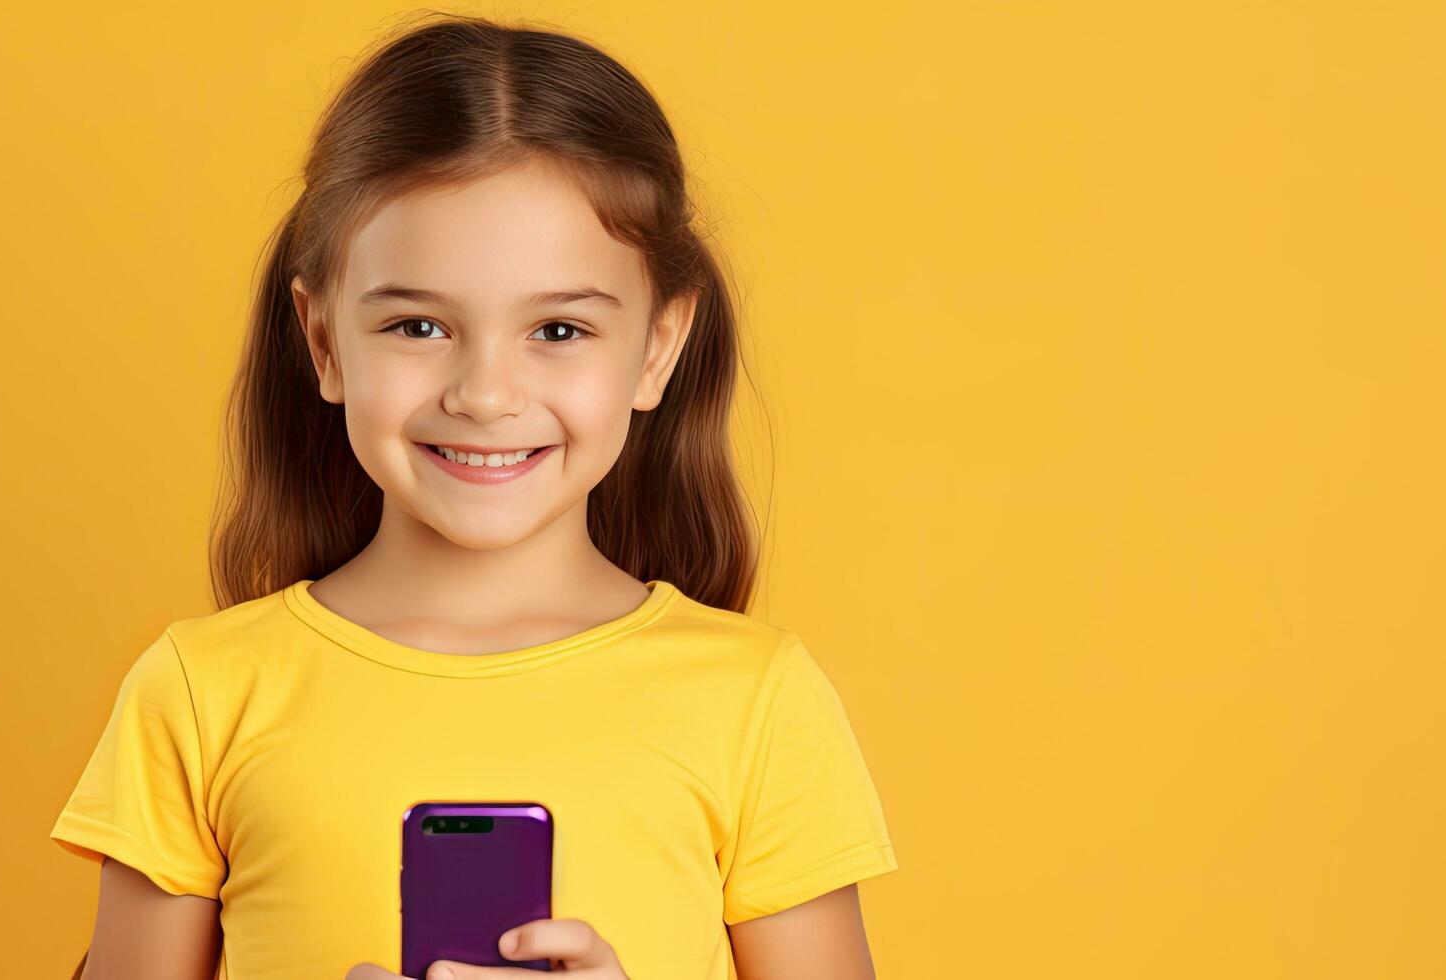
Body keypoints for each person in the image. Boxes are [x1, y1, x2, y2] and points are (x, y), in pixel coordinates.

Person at [50, 12, 898, 978]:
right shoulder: (200, 695)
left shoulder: (757, 701)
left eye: (560, 331)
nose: (485, 393)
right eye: (417, 326)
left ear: (657, 347)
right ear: (324, 340)